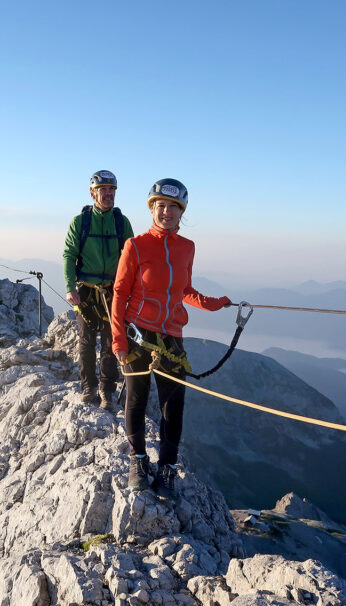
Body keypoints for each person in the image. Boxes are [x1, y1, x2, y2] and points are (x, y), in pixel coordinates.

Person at [110, 178, 231, 500]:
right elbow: (119, 293)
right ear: (152, 209)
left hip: (172, 336)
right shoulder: (135, 246)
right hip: (138, 334)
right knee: (135, 398)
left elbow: (183, 290)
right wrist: (118, 339)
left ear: (181, 212)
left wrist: (209, 303)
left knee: (172, 406)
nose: (166, 212)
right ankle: (138, 461)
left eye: (172, 207)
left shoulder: (186, 247)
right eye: (160, 206)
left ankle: (166, 467)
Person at [62, 170, 134, 410]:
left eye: (112, 189)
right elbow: (69, 255)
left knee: (111, 342)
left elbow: (131, 257)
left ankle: (107, 391)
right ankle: (88, 387)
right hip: (86, 291)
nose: (108, 194)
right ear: (93, 193)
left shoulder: (121, 222)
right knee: (86, 341)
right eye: (103, 189)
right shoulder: (80, 222)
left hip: (113, 291)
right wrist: (70, 287)